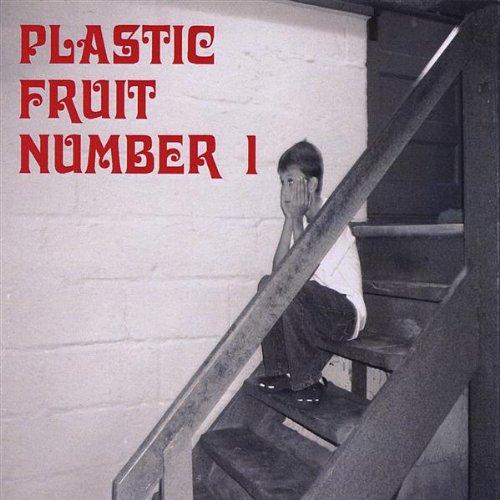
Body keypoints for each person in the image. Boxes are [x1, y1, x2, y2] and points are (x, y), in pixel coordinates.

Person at [256, 140, 366, 407]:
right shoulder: (302, 224)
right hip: (315, 307)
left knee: (294, 290)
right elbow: (278, 274)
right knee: (267, 284)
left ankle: (309, 379)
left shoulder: (332, 219)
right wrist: (289, 220)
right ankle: (279, 370)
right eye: (282, 183)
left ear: (312, 184)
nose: (285, 191)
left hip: (345, 314)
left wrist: (296, 220)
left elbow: (302, 272)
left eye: (291, 182)